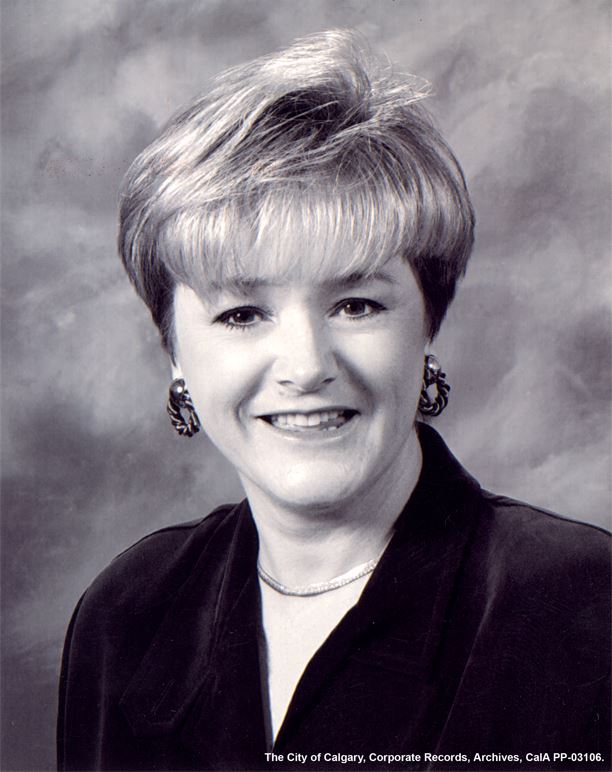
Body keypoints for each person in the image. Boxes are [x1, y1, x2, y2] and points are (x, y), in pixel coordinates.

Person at [57, 29, 609, 772]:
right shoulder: (128, 614)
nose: (307, 366)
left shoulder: (579, 605)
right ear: (175, 352)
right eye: (242, 314)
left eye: (356, 304)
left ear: (427, 325)